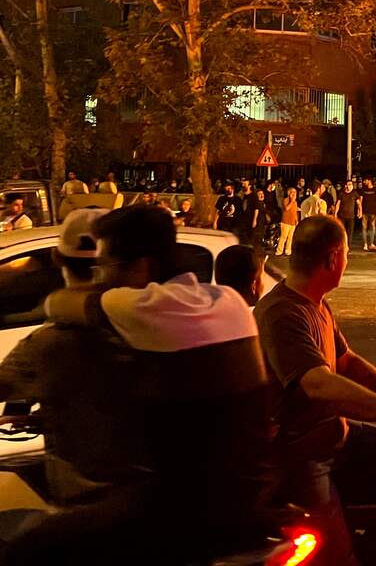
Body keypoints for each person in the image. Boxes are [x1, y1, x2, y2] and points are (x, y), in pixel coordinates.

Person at [31, 206, 273, 563]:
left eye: (107, 267)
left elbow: (58, 302)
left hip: (184, 512)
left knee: (31, 549)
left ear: (141, 267)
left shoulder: (138, 306)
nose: (102, 278)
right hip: (253, 496)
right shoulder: (229, 301)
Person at [254, 216, 376, 564]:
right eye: (346, 254)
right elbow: (318, 383)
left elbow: (346, 361)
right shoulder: (282, 313)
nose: (347, 261)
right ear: (332, 258)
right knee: (338, 557)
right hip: (304, 452)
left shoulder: (316, 303)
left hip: (335, 433)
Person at [0, 209, 146, 508]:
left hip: (91, 502)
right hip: (151, 491)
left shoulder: (51, 343)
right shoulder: (155, 327)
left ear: (58, 259)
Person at [334, 180, 362, 245]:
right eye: (349, 184)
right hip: (342, 216)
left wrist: (360, 212)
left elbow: (359, 204)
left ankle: (348, 246)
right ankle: (342, 245)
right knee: (342, 232)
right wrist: (335, 214)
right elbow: (338, 204)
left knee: (350, 233)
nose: (350, 186)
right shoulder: (341, 193)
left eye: (351, 185)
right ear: (345, 186)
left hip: (351, 217)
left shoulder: (354, 193)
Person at [360, 177, 376, 251]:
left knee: (372, 227)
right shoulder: (363, 189)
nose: (364, 181)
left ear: (369, 181)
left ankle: (371, 243)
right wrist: (360, 211)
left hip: (373, 212)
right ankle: (365, 244)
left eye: (365, 180)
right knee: (364, 227)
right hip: (364, 212)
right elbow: (360, 201)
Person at [277, 187, 299, 256]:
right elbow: (287, 208)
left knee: (290, 238)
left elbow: (295, 212)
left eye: (295, 192)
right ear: (289, 193)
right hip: (285, 222)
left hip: (292, 223)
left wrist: (296, 220)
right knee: (283, 237)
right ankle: (279, 251)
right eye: (292, 192)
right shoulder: (285, 200)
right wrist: (292, 201)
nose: (294, 193)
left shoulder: (295, 202)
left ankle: (288, 251)